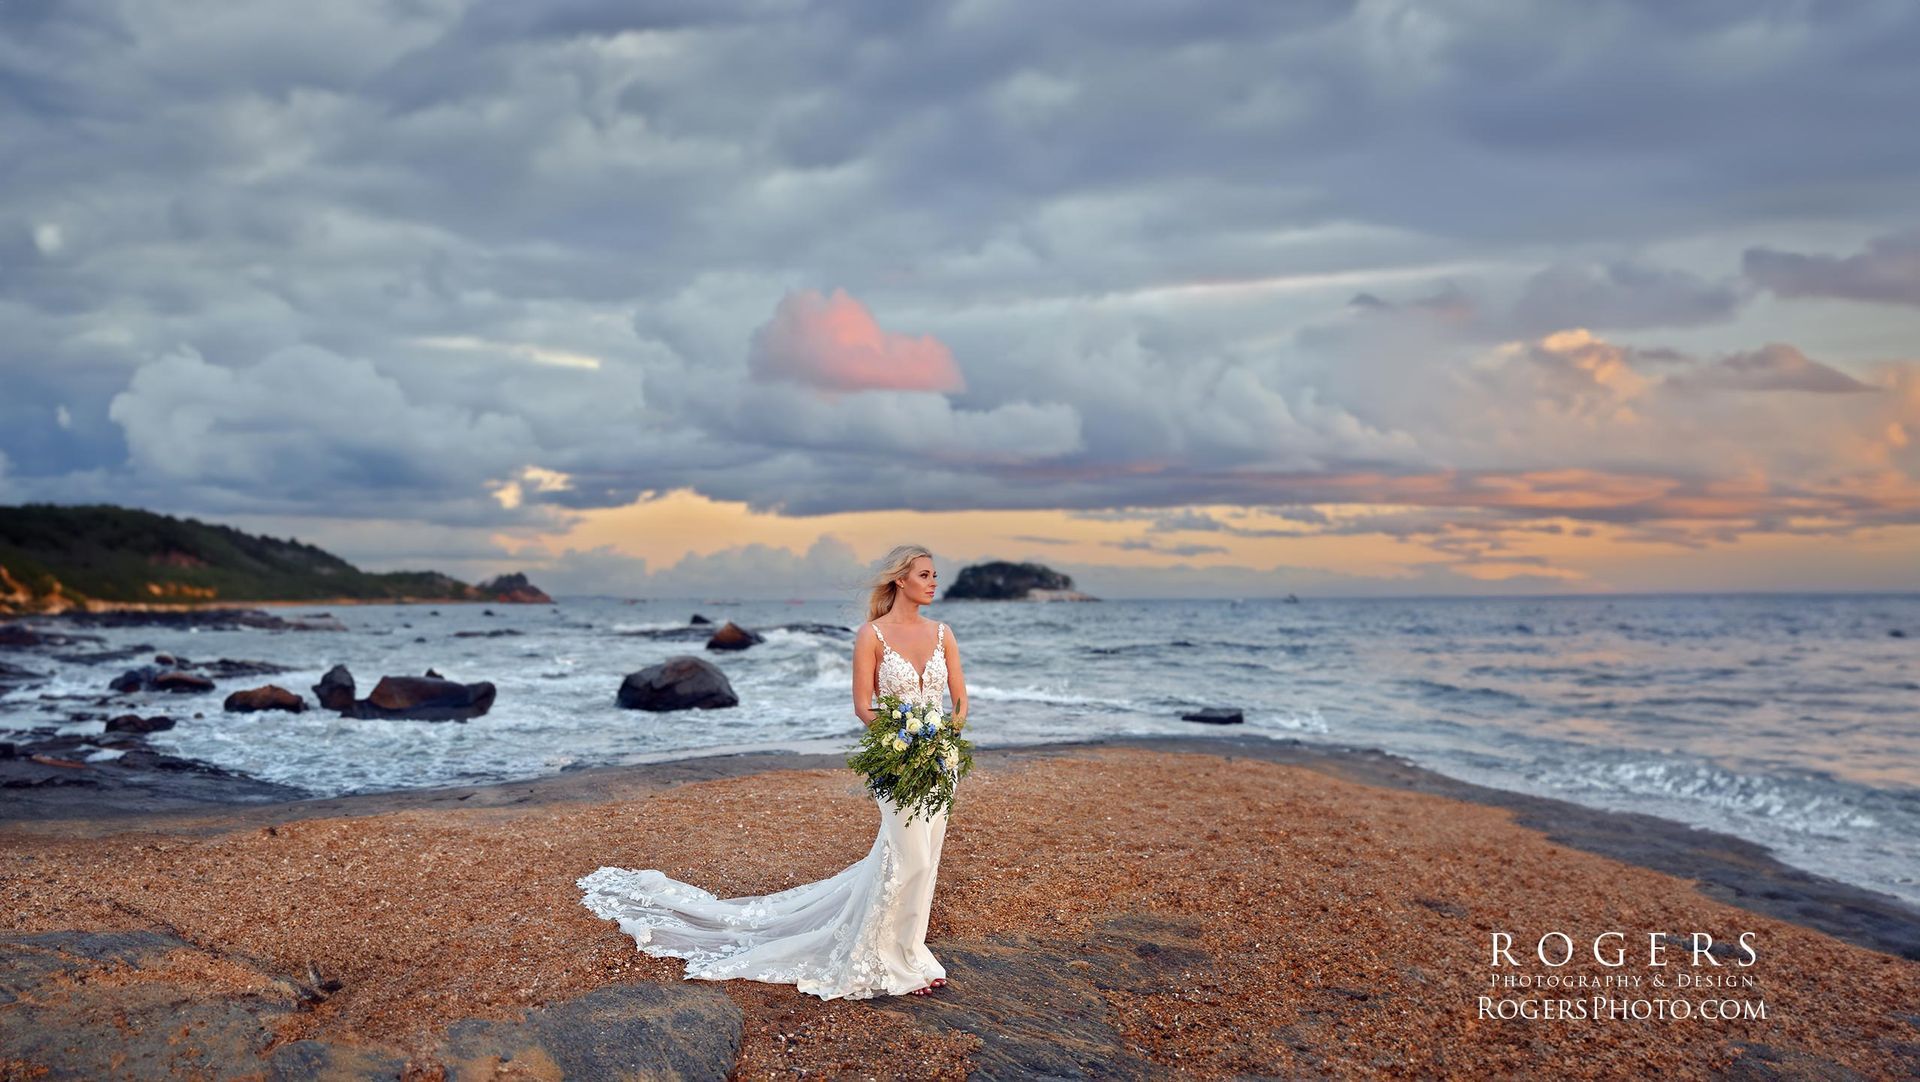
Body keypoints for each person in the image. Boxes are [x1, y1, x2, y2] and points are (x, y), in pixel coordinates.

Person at [576, 544, 969, 1000]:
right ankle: (891, 959)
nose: (933, 582)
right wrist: (904, 739)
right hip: (895, 758)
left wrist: (942, 737)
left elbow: (958, 700)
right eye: (925, 574)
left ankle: (911, 950)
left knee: (927, 855)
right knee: (909, 857)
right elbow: (863, 706)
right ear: (900, 580)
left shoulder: (943, 634)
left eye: (935, 575)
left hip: (941, 758)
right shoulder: (871, 635)